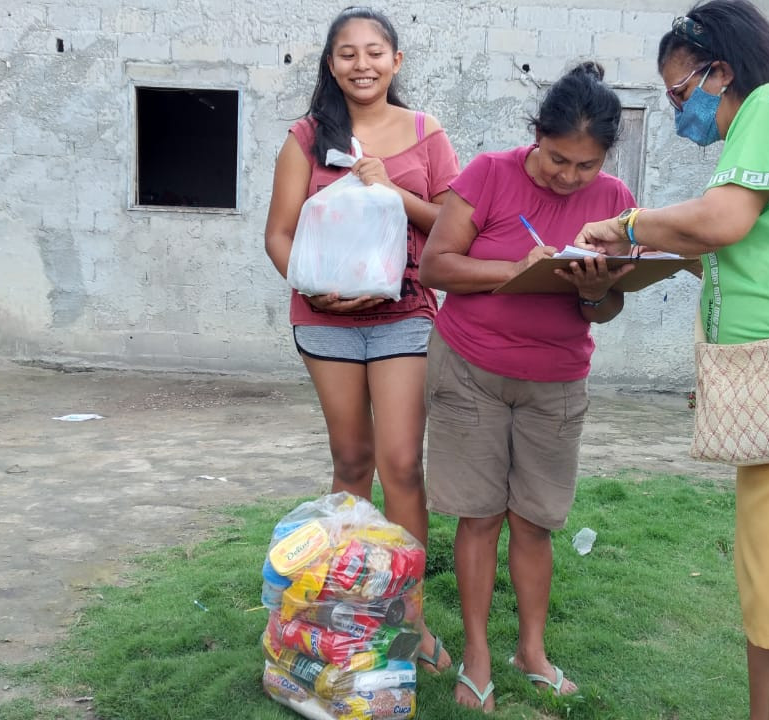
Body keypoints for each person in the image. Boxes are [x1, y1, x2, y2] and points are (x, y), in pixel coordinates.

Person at [574, 2, 769, 718]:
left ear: (721, 69)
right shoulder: (766, 137)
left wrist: (629, 224)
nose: (679, 108)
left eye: (681, 92)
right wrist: (644, 258)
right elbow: (748, 258)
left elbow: (720, 223)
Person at [418, 62, 637, 713]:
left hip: (557, 381)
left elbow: (608, 308)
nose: (570, 177)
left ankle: (531, 652)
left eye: (586, 165)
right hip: (470, 369)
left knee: (535, 522)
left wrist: (599, 290)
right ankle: (478, 654)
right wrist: (517, 267)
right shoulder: (489, 172)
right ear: (534, 134)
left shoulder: (616, 200)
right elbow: (436, 264)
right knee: (480, 516)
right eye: (557, 158)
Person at [263, 5, 459, 673]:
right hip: (325, 322)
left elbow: (453, 230)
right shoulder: (307, 138)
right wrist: (312, 287)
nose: (362, 63)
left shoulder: (427, 136)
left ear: (396, 62)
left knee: (402, 463)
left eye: (375, 52)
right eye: (347, 53)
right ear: (331, 64)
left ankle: (409, 621)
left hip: (405, 314)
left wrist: (395, 191)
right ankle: (345, 605)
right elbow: (279, 233)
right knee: (352, 462)